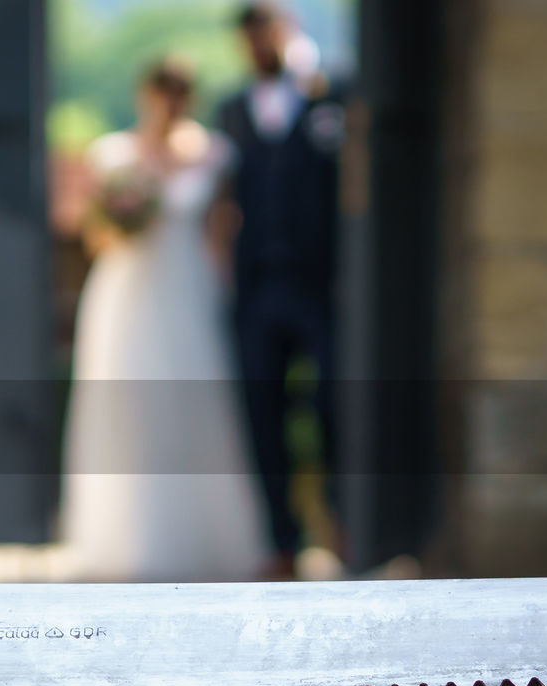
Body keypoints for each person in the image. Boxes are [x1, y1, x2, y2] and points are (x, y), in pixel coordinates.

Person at [61, 57, 267, 582]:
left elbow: (220, 232)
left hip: (186, 291)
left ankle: (199, 540)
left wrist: (224, 291)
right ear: (144, 95)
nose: (169, 104)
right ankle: (126, 537)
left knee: (191, 403)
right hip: (126, 295)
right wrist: (123, 217)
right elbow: (93, 236)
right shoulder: (113, 154)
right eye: (161, 93)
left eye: (178, 94)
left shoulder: (214, 155)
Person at [217, 3, 346, 579]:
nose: (258, 44)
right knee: (262, 414)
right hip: (258, 289)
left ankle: (341, 526)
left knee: (333, 406)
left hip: (320, 287)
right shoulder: (231, 111)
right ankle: (283, 542)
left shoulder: (332, 97)